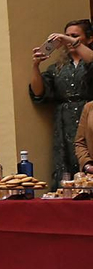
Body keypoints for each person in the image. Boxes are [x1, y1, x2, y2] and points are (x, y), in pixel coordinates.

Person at [29, 19, 93, 187]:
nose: (68, 40)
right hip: (64, 118)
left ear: (89, 38)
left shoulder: (89, 60)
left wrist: (73, 42)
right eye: (66, 36)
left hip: (88, 113)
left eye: (75, 36)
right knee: (65, 164)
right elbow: (39, 92)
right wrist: (36, 65)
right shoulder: (58, 67)